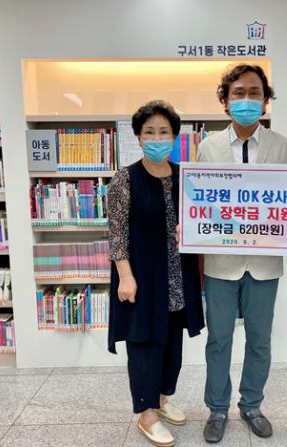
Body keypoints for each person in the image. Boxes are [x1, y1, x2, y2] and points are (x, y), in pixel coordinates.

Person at [195, 64, 287, 443]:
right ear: (225, 101)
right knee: (218, 339)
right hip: (221, 263)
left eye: (255, 92)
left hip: (265, 263)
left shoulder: (282, 146)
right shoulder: (208, 147)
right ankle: (217, 408)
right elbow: (200, 201)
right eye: (239, 93)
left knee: (260, 339)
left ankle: (251, 404)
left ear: (266, 100)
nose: (247, 100)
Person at [107, 100, 205, 447]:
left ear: (175, 137)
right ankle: (146, 414)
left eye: (164, 132)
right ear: (138, 137)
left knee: (171, 344)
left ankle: (162, 399)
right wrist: (125, 276)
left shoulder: (186, 177)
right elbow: (117, 234)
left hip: (178, 278)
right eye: (149, 132)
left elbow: (201, 223)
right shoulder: (125, 179)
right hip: (142, 278)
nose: (157, 138)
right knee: (144, 345)